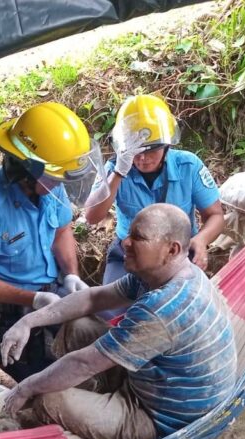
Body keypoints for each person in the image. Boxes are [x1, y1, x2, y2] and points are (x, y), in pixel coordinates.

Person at [0, 203, 237, 439]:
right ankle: (85, 391)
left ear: (172, 249)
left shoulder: (162, 308)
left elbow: (85, 363)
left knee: (48, 398)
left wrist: (26, 387)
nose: (125, 242)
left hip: (161, 422)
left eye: (139, 237)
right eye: (129, 234)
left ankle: (73, 401)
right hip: (155, 383)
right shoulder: (166, 274)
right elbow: (94, 298)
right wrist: (29, 320)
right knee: (78, 325)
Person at [0, 102, 108, 382]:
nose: (60, 183)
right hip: (7, 310)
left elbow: (62, 229)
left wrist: (71, 274)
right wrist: (32, 299)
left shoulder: (50, 184)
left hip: (51, 291)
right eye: (55, 176)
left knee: (97, 350)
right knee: (44, 380)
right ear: (27, 169)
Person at [84, 95, 223, 319]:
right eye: (136, 151)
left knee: (193, 317)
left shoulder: (188, 165)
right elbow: (92, 216)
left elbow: (215, 215)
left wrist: (201, 240)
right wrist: (119, 172)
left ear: (166, 146)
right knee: (112, 318)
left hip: (179, 255)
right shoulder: (114, 170)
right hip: (128, 255)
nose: (143, 158)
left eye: (152, 150)